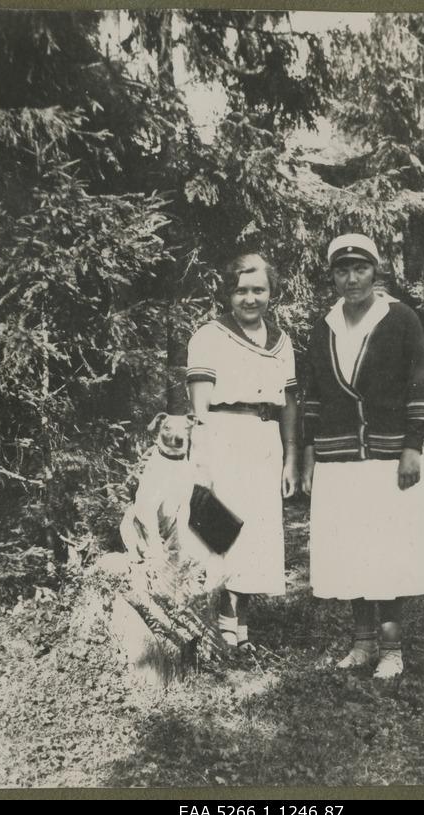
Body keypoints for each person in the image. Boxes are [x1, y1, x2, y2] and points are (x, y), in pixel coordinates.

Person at [301, 233, 424, 678]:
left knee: (390, 550)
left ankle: (392, 649)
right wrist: (308, 455)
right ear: (333, 275)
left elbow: (421, 382)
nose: (351, 278)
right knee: (351, 549)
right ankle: (361, 643)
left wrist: (412, 447)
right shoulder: (323, 326)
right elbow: (314, 398)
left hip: (387, 456)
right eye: (342, 270)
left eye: (360, 268)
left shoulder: (400, 319)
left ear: (375, 272)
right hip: (338, 460)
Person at [187, 252, 299, 651]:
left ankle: (242, 627)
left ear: (272, 293)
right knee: (222, 529)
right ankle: (220, 624)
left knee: (258, 533)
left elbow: (287, 403)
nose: (250, 299)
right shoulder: (209, 336)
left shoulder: (281, 342)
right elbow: (199, 406)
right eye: (241, 291)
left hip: (264, 439)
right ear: (228, 295)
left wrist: (291, 456)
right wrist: (200, 458)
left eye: (259, 290)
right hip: (223, 437)